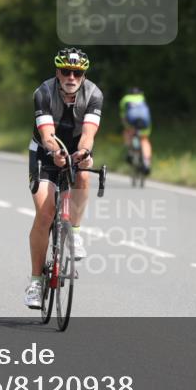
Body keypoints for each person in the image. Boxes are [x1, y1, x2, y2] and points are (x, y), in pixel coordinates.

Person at [24, 47, 103, 309]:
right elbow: (46, 134)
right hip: (45, 154)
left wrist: (84, 152)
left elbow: (89, 133)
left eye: (77, 72)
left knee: (84, 175)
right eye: (66, 71)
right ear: (58, 72)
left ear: (83, 75)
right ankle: (36, 281)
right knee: (45, 214)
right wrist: (55, 152)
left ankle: (75, 232)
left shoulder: (93, 94)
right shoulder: (43, 93)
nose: (71, 77)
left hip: (76, 149)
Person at [119, 86, 152, 175]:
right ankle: (146, 163)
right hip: (145, 121)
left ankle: (130, 152)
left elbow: (123, 116)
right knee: (144, 140)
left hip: (132, 120)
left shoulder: (125, 99)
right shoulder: (142, 98)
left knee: (127, 132)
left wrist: (127, 127)